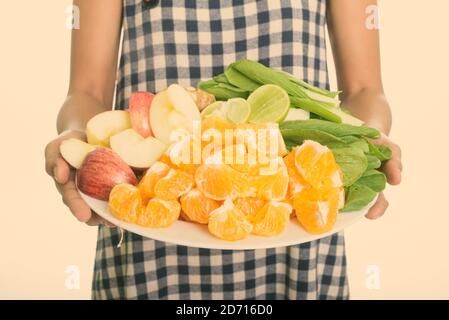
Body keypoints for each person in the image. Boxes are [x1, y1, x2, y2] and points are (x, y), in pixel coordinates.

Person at [45, 0, 402, 299]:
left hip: (296, 226)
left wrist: (366, 137)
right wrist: (75, 134)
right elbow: (87, 89)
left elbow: (364, 88)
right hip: (149, 219)